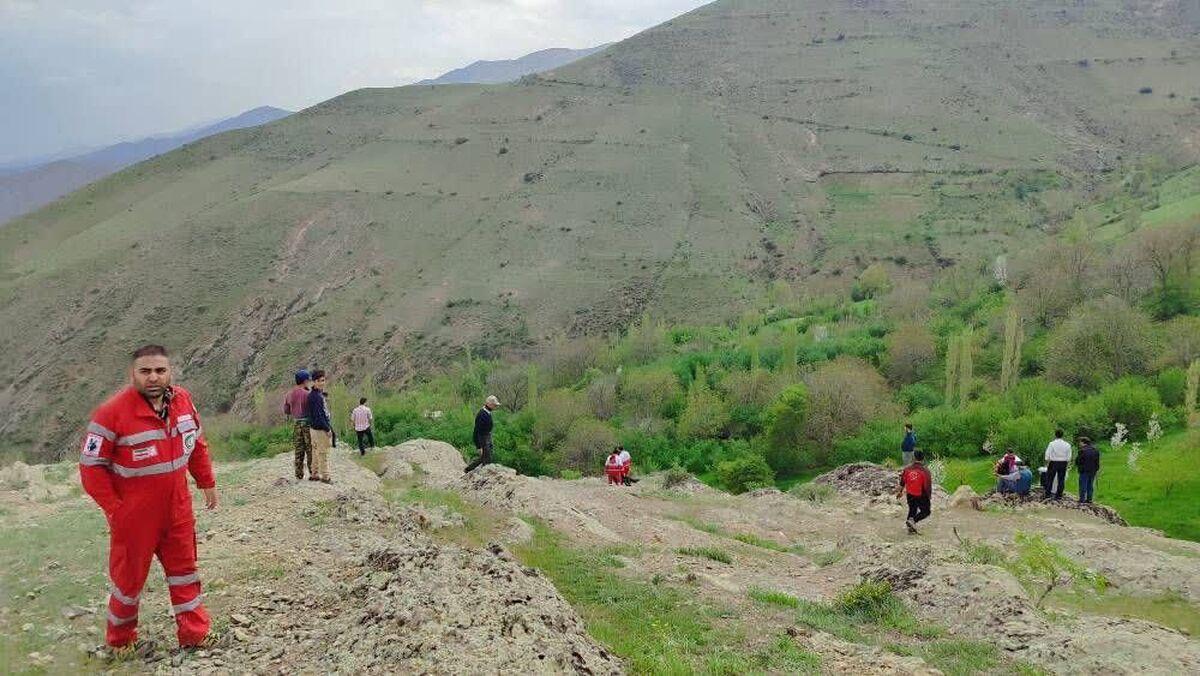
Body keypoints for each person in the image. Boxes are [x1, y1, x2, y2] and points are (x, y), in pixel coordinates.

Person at [79, 345, 222, 657]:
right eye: (145, 371)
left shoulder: (183, 401)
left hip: (178, 508)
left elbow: (196, 443)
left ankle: (194, 635)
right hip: (134, 514)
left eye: (160, 370)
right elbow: (91, 468)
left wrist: (206, 482)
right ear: (133, 374)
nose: (153, 377)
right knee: (129, 580)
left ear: (170, 372)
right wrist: (117, 510)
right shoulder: (111, 412)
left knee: (185, 571)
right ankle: (120, 643)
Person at [284, 370, 313, 481]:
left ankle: (299, 474)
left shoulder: (289, 394)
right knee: (310, 449)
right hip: (307, 424)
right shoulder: (308, 394)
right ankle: (312, 473)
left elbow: (286, 411)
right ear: (305, 380)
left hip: (296, 424)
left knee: (298, 450)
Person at [306, 370, 333, 483]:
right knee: (323, 453)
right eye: (320, 381)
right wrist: (327, 429)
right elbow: (319, 415)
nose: (323, 383)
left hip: (313, 428)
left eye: (323, 380)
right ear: (315, 381)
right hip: (319, 429)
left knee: (315, 452)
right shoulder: (316, 397)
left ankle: (314, 474)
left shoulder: (314, 394)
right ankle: (326, 477)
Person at [898, 450, 933, 534]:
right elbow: (927, 485)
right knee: (926, 512)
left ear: (913, 458)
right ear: (923, 459)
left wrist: (900, 492)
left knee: (912, 510)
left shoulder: (907, 469)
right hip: (921, 494)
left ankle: (910, 528)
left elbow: (902, 481)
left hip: (910, 494)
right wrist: (929, 496)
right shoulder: (925, 471)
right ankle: (913, 521)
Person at [465, 395, 500, 473]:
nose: (495, 407)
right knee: (486, 458)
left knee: (487, 456)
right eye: (494, 405)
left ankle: (469, 469)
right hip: (483, 438)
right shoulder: (482, 414)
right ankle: (472, 470)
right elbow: (477, 431)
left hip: (487, 436)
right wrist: (479, 446)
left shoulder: (487, 412)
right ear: (489, 404)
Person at [1044, 429, 1072, 500]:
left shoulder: (1052, 443)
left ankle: (1048, 493)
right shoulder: (1067, 444)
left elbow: (1047, 455)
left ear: (1055, 435)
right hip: (1063, 463)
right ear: (1062, 435)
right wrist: (1067, 463)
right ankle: (1059, 495)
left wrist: (1047, 462)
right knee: (1061, 479)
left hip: (1053, 462)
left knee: (1050, 478)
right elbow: (1069, 457)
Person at [1076, 437, 1100, 504]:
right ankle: (1089, 499)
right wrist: (1097, 469)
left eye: (1080, 442)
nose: (1079, 443)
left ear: (1083, 442)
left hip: (1084, 470)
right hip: (1093, 470)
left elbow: (1078, 461)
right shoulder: (1095, 450)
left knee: (1083, 485)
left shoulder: (1082, 451)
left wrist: (1078, 466)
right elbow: (1097, 461)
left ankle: (1082, 499)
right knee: (1090, 485)